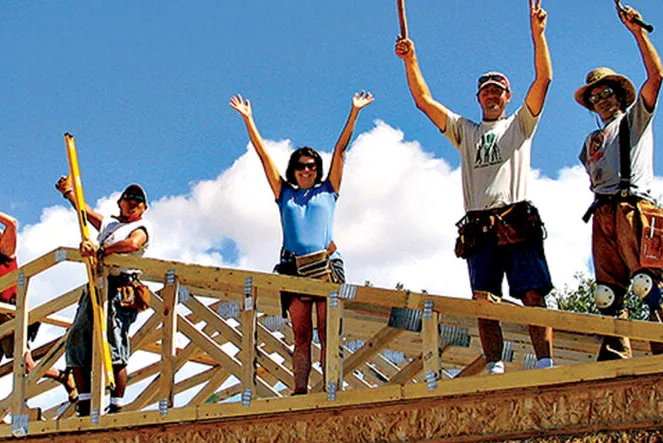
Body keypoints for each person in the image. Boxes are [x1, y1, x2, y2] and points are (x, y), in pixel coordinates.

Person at [395, 0, 554, 374]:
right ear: (478, 97)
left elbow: (543, 81)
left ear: (508, 97)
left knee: (533, 293)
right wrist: (410, 60)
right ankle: (495, 363)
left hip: (516, 217)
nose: (492, 95)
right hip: (480, 225)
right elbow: (423, 101)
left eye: (498, 90)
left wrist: (538, 35)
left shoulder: (520, 126)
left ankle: (545, 361)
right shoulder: (465, 131)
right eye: (486, 90)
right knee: (483, 297)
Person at [229, 91, 371, 395]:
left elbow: (341, 150)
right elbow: (264, 156)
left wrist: (354, 113)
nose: (307, 170)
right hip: (294, 268)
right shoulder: (285, 194)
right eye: (301, 166)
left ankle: (332, 386)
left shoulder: (328, 190)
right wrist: (249, 119)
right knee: (302, 335)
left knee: (328, 331)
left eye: (311, 166)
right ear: (294, 169)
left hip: (325, 265)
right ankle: (300, 390)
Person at [575, 4, 663, 360]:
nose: (601, 100)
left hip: (634, 206)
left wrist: (639, 32)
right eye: (594, 96)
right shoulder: (590, 142)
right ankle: (616, 354)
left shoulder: (634, 120)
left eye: (606, 93)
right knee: (607, 292)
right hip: (602, 213)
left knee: (646, 284)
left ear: (619, 95)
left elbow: (657, 77)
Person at [0, 208, 75, 424]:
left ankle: (64, 377)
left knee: (27, 365)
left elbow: (12, 224)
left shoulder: (5, 254)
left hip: (8, 318)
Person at [55, 177, 150, 415]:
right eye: (128, 198)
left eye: (138, 200)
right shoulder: (110, 224)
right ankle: (85, 401)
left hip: (120, 288)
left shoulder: (140, 228)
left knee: (114, 342)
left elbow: (132, 244)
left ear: (144, 208)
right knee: (78, 338)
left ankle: (117, 403)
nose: (132, 202)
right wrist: (69, 193)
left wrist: (101, 250)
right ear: (120, 202)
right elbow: (85, 212)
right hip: (97, 285)